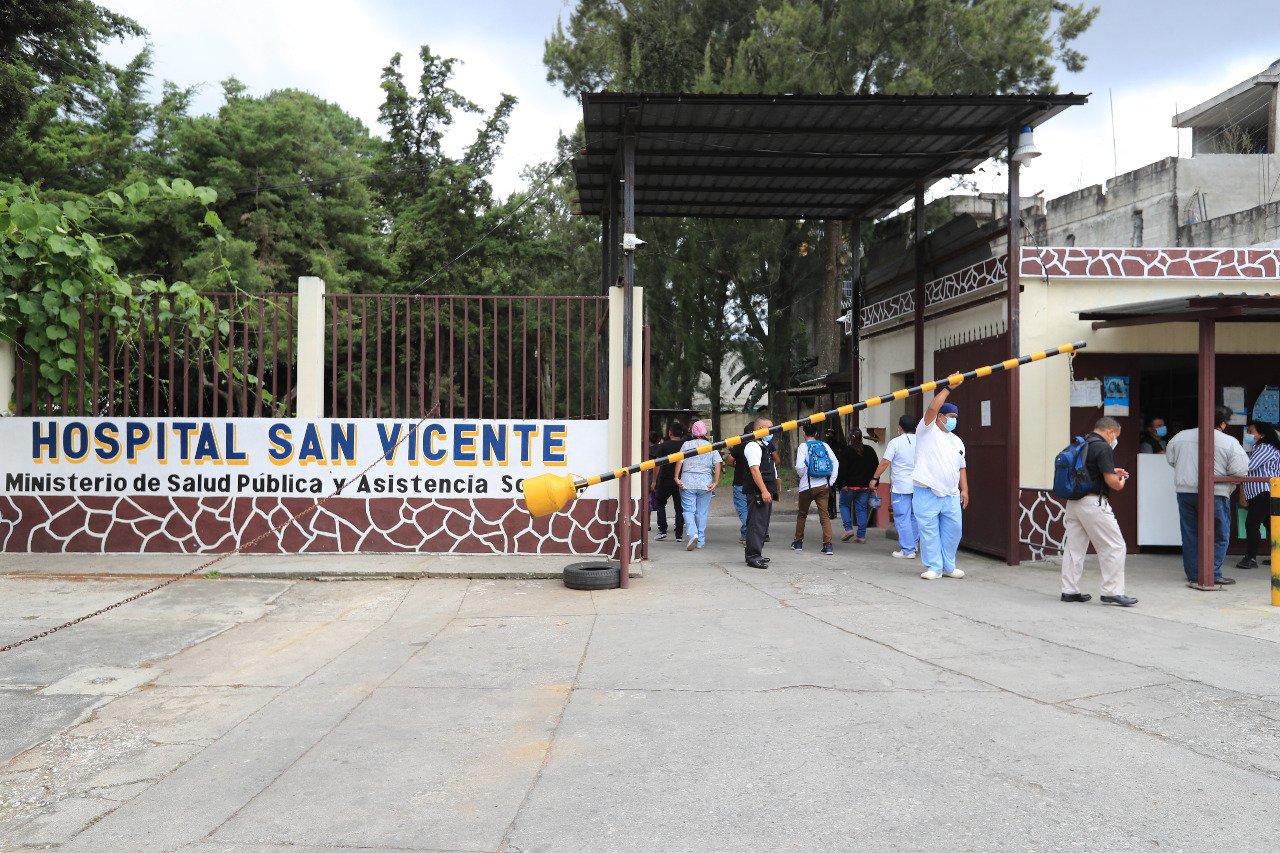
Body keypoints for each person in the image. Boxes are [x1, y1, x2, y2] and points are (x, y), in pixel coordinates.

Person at [1166, 405, 1250, 585]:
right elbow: (1240, 470)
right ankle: (1212, 573)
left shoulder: (1179, 437)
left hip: (1185, 492)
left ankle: (1194, 574)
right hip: (1216, 492)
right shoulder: (1229, 442)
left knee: (1190, 533)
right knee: (1219, 534)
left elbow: (1171, 460)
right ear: (1223, 423)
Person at [1060, 417, 1137, 606]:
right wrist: (1120, 483)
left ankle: (1069, 590)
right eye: (1116, 436)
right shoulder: (1103, 447)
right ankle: (1112, 592)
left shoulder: (1081, 443)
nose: (1115, 440)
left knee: (1074, 548)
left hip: (1073, 503)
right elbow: (1112, 482)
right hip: (1093, 503)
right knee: (1115, 546)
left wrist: (1111, 470)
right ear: (1110, 432)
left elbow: (1090, 470)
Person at [913, 383, 968, 580]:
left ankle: (948, 566)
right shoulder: (926, 431)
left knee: (954, 531)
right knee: (929, 532)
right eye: (950, 417)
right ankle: (934, 567)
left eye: (956, 418)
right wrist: (948, 388)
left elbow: (961, 467)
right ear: (940, 416)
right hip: (926, 491)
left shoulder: (957, 441)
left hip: (951, 494)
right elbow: (931, 408)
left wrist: (965, 490)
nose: (953, 421)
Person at [870, 414, 919, 558]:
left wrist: (875, 478)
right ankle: (914, 545)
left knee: (902, 517)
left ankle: (908, 550)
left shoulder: (895, 442)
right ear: (915, 428)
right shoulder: (922, 441)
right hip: (918, 485)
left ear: (900, 428)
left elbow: (885, 462)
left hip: (901, 486)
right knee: (914, 517)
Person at [1236, 420, 1280, 570]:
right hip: (1263, 493)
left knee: (1252, 523)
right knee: (1271, 525)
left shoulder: (1265, 448)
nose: (1247, 434)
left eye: (1251, 432)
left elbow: (1248, 466)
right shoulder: (1259, 448)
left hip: (1264, 492)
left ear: (1262, 435)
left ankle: (1251, 558)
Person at [791, 421, 840, 555]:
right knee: (824, 516)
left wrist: (802, 475)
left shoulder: (803, 446)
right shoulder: (824, 445)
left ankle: (798, 542)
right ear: (816, 433)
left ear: (804, 433)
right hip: (823, 486)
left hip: (807, 486)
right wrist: (831, 482)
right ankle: (828, 546)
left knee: (802, 515)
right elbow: (835, 462)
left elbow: (799, 466)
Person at [675, 420, 722, 550]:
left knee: (688, 510)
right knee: (701, 512)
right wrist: (716, 482)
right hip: (705, 483)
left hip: (687, 482)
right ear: (705, 432)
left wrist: (676, 478)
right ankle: (700, 540)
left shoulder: (686, 445)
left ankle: (692, 534)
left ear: (692, 432)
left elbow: (679, 460)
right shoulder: (710, 446)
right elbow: (717, 464)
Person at [743, 417, 778, 569]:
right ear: (759, 429)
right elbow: (754, 470)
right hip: (757, 491)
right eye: (770, 428)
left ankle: (756, 553)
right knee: (756, 524)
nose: (772, 431)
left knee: (762, 524)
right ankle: (753, 556)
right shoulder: (753, 446)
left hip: (765, 490)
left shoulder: (763, 445)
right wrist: (764, 490)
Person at [834, 429, 878, 544]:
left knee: (844, 505)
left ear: (850, 438)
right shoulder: (870, 450)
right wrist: (875, 482)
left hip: (849, 487)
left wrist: (842, 484)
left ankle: (848, 529)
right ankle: (861, 536)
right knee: (862, 509)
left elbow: (842, 469)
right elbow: (876, 467)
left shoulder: (847, 451)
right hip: (866, 487)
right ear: (861, 437)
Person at [652, 421, 686, 542]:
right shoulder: (685, 446)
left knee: (660, 504)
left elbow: (657, 465)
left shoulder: (663, 446)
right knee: (679, 508)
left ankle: (662, 530)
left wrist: (654, 481)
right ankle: (679, 534)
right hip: (681, 480)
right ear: (681, 433)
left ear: (670, 432)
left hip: (665, 480)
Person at [726, 420, 755, 546]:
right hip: (755, 482)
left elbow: (729, 461)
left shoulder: (739, 445)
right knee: (754, 509)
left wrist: (738, 465)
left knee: (743, 510)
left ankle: (749, 535)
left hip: (740, 482)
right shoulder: (759, 445)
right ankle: (746, 535)